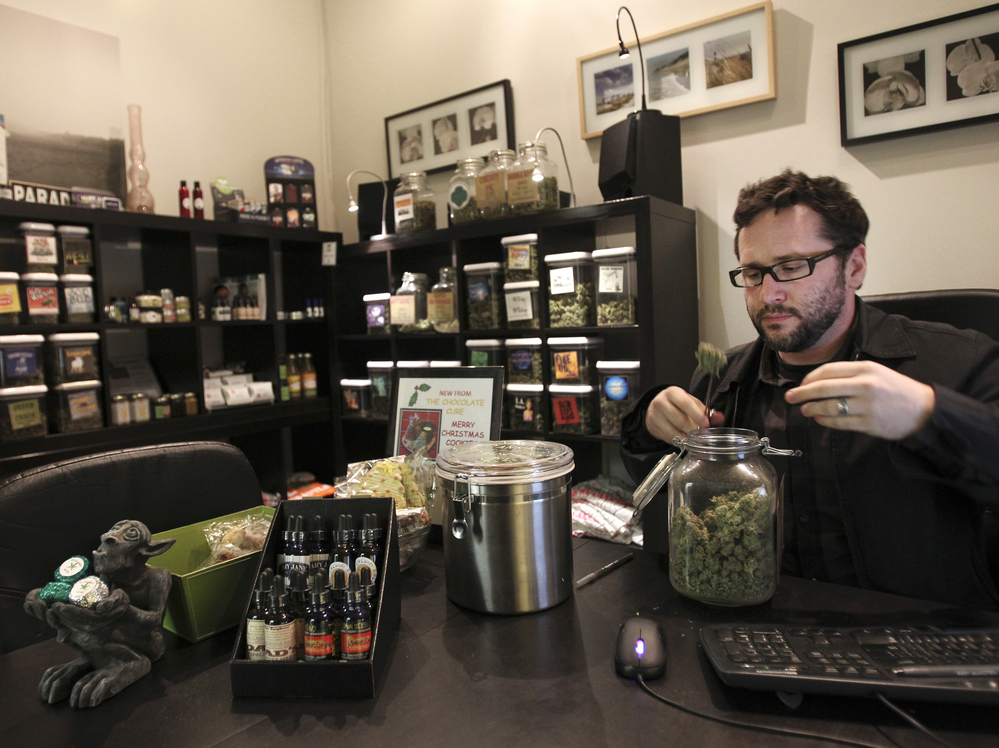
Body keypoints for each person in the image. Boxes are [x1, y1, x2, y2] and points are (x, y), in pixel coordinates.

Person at [621, 169, 999, 611]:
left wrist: (927, 414)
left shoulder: (956, 361)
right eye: (754, 273)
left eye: (792, 267)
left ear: (853, 266)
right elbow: (656, 481)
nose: (769, 294)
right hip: (756, 628)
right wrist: (650, 420)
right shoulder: (722, 380)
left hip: (916, 640)